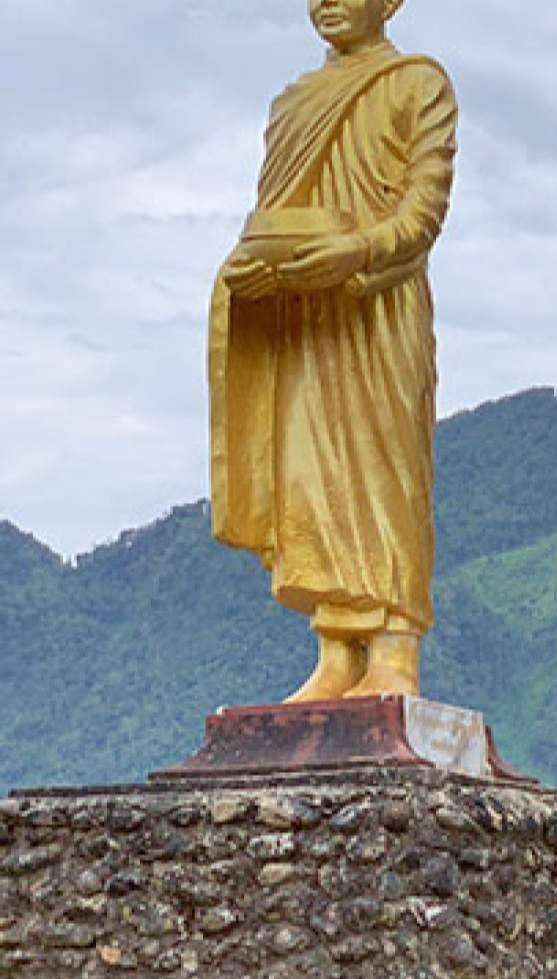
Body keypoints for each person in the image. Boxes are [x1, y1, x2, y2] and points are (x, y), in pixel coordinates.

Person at [211, 0, 457, 701]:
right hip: (304, 311)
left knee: (384, 465)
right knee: (307, 472)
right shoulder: (293, 103)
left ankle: (394, 647)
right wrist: (254, 270)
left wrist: (356, 250)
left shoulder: (419, 83)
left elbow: (425, 207)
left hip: (379, 302)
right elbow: (272, 212)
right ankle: (336, 648)